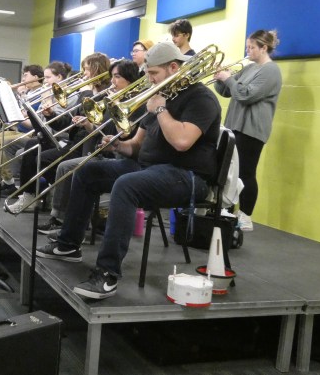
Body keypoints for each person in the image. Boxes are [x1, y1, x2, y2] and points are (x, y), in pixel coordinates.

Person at [36, 42, 221, 300]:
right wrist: (119, 145)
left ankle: (107, 274)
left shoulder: (201, 98)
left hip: (187, 175)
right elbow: (137, 146)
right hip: (149, 167)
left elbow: (182, 141)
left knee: (126, 185)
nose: (149, 79)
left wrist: (159, 109)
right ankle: (69, 244)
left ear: (174, 67)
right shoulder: (161, 94)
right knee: (87, 172)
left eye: (153, 73)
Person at [37, 59, 141, 234]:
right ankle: (63, 219)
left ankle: (71, 223)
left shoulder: (135, 102)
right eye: (112, 77)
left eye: (117, 77)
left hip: (118, 155)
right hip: (98, 149)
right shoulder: (108, 98)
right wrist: (86, 124)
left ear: (129, 79)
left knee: (68, 167)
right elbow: (101, 130)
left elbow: (126, 136)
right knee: (61, 165)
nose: (113, 82)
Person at [6, 53, 111, 214]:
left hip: (85, 145)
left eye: (87, 69)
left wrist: (86, 119)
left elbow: (101, 128)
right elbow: (67, 123)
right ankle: (31, 196)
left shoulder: (104, 95)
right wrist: (50, 115)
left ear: (98, 70)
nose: (84, 74)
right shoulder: (84, 93)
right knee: (32, 146)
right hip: (72, 140)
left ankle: (53, 198)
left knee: (43, 157)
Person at [213, 29, 282, 231]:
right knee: (229, 173)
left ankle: (246, 216)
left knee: (245, 172)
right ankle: (227, 210)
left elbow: (245, 95)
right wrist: (220, 77)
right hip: (235, 125)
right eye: (247, 46)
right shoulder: (249, 68)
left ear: (264, 48)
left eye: (252, 47)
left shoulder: (271, 70)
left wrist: (229, 78)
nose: (248, 50)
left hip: (251, 129)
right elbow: (227, 91)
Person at [0, 64, 44, 192]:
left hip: (32, 133)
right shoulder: (27, 92)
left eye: (25, 75)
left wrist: (19, 110)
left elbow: (35, 123)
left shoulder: (42, 94)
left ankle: (9, 182)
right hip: (18, 130)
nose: (22, 79)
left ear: (36, 77)